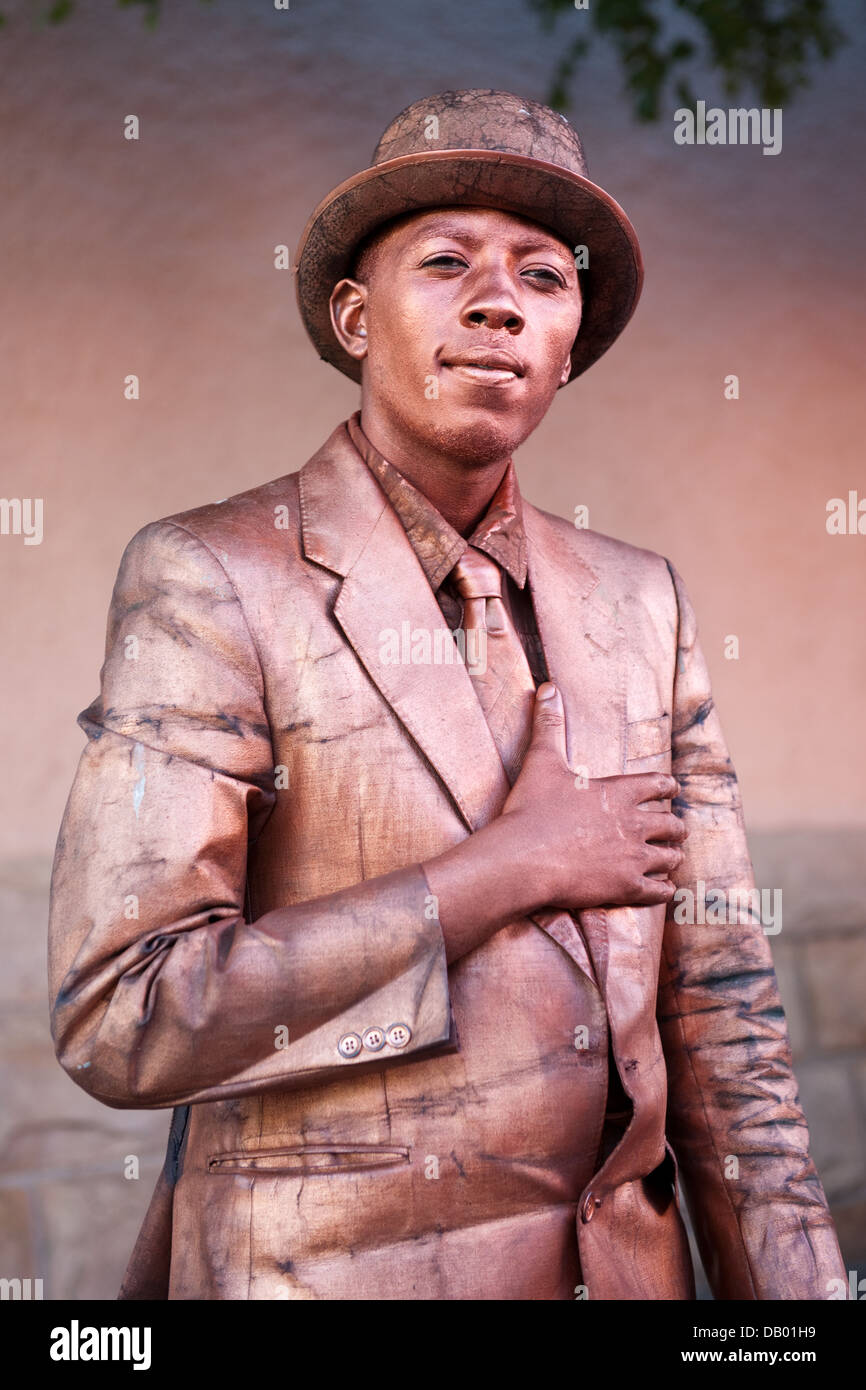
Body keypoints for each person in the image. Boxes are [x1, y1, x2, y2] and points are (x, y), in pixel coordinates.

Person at [48, 88, 846, 1300]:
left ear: (569, 343)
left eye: (542, 277)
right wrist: (504, 870)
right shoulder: (213, 575)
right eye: (446, 262)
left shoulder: (643, 605)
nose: (498, 302)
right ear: (356, 318)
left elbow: (722, 1017)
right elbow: (127, 1014)